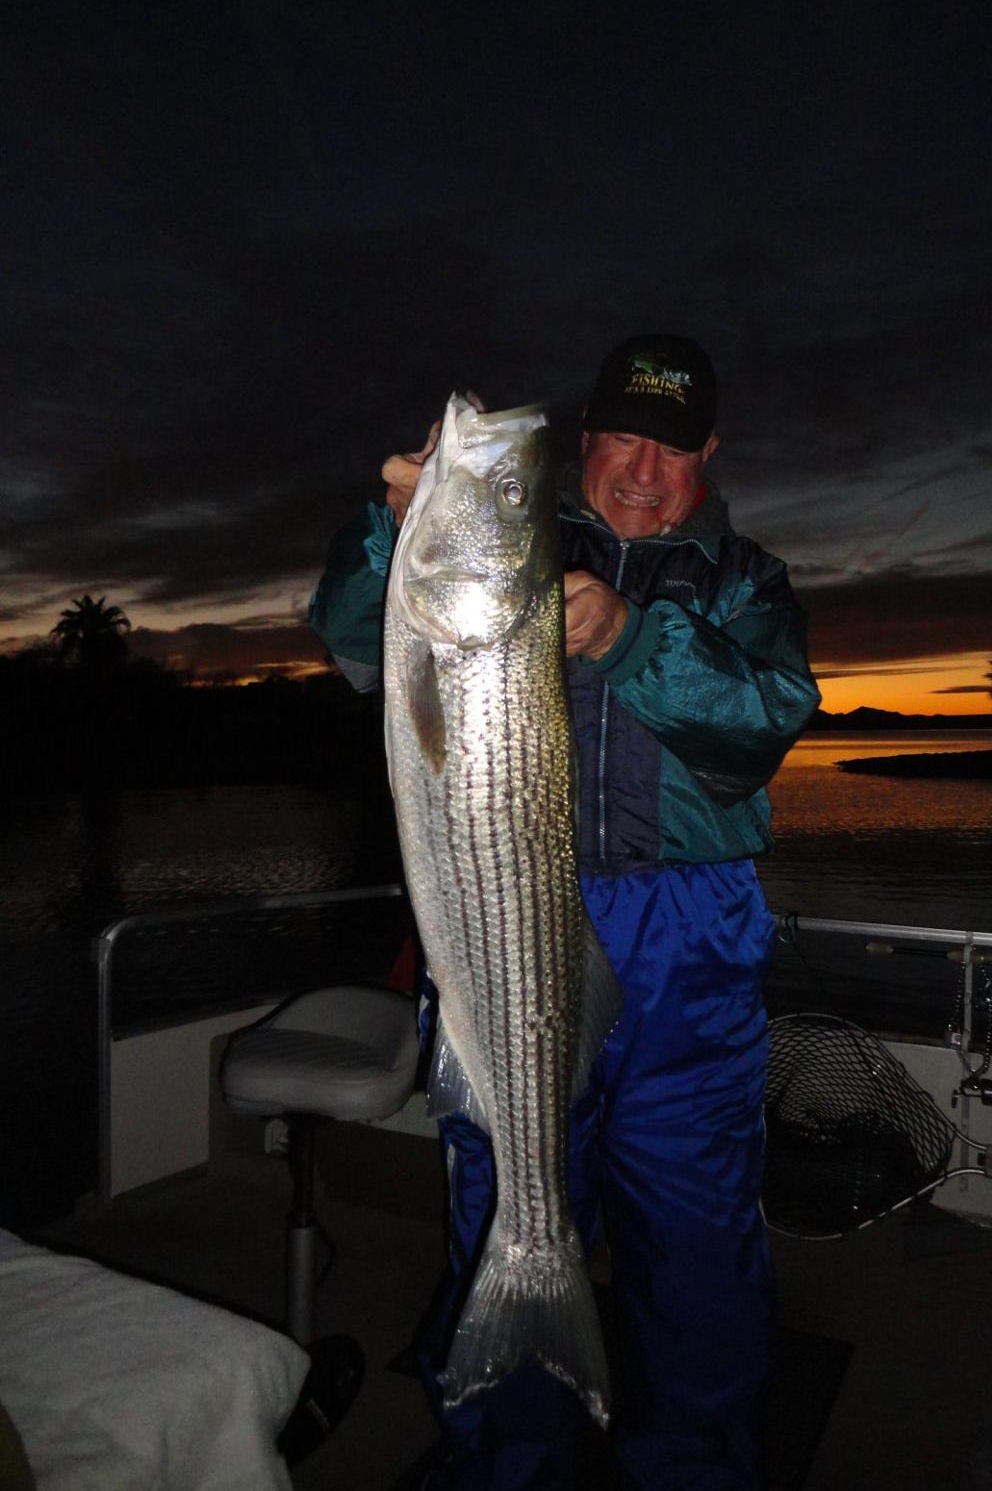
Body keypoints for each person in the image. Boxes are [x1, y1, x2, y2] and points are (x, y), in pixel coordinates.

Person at [309, 334, 820, 1490]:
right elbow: (353, 637)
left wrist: (634, 639)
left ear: (710, 455)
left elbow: (762, 724)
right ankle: (504, 1464)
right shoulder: (513, 552)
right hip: (509, 927)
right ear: (586, 441)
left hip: (689, 956)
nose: (644, 469)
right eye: (624, 437)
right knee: (504, 1202)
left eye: (674, 447)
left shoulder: (748, 583)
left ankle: (691, 1472)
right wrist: (396, 522)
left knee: (696, 1259)